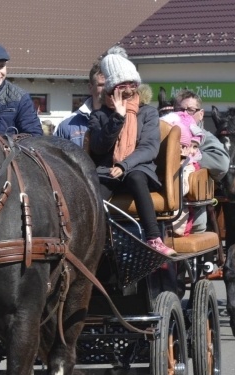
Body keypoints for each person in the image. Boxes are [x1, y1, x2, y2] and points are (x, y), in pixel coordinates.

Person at [88, 46, 177, 256]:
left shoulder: (147, 113)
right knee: (93, 193)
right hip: (107, 172)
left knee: (136, 177)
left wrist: (124, 164)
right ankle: (95, 242)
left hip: (137, 169)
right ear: (112, 88)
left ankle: (154, 238)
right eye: (122, 85)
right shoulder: (99, 115)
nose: (128, 89)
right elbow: (98, 147)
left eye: (132, 84)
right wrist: (117, 118)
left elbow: (149, 148)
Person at [0, 42, 43, 137]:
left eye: (1, 66)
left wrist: (8, 143)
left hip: (11, 151)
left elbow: (34, 136)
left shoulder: (20, 98)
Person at [161, 111, 206, 236]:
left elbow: (183, 188)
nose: (191, 151)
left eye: (194, 147)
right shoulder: (162, 163)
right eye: (179, 146)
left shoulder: (188, 167)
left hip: (178, 215)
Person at [173, 89, 230, 182]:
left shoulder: (207, 138)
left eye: (190, 110)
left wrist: (193, 155)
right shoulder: (167, 131)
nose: (184, 114)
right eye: (179, 110)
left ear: (201, 114)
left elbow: (222, 163)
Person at [55, 62, 106, 147]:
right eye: (101, 85)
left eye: (110, 84)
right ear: (90, 87)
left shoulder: (123, 120)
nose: (106, 89)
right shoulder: (67, 125)